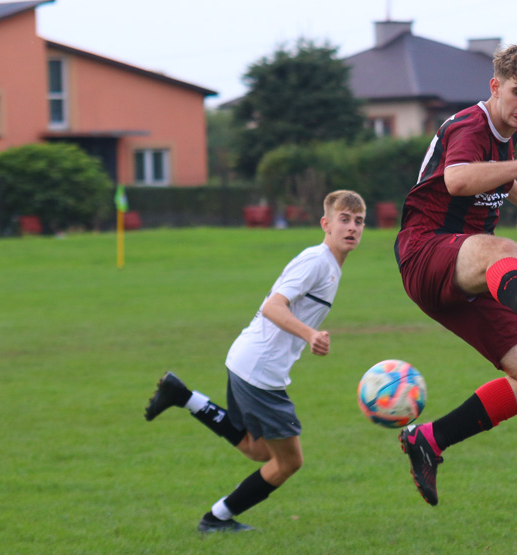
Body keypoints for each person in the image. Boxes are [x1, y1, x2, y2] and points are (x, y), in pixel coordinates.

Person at [393, 41, 517, 506]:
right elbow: (459, 179)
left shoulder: (506, 130)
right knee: (503, 248)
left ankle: (430, 439)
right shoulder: (471, 123)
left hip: (472, 270)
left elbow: (498, 172)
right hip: (427, 252)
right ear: (495, 86)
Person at [144, 190, 366, 532]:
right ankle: (216, 518)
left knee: (259, 451)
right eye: (344, 219)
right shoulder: (317, 261)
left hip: (250, 362)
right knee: (288, 461)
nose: (352, 227)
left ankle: (182, 395)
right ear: (326, 223)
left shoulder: (331, 267)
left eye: (359, 221)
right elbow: (272, 306)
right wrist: (310, 334)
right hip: (260, 371)